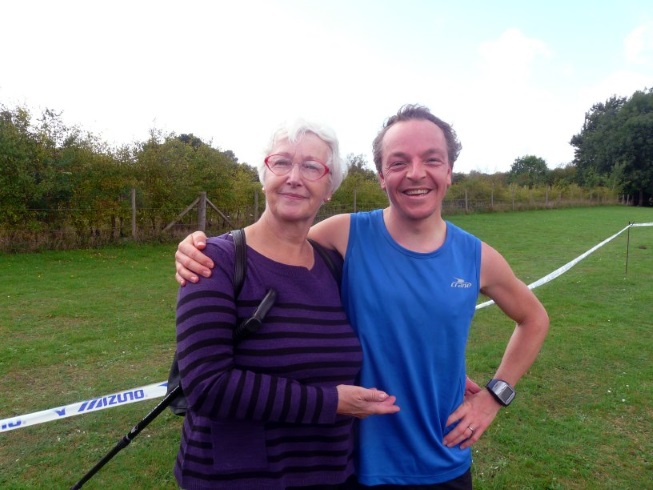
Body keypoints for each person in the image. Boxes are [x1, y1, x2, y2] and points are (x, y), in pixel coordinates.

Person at [175, 105, 550, 488]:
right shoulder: (340, 236)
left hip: (442, 463)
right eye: (399, 161)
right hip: (351, 465)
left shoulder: (478, 257)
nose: (416, 173)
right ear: (382, 176)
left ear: (449, 171)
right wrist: (198, 248)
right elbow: (271, 248)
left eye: (432, 160)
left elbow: (534, 319)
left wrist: (494, 397)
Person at [173, 118, 399, 490]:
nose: (294, 176)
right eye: (282, 162)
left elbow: (376, 340)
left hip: (331, 472)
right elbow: (207, 386)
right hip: (236, 478)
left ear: (329, 187)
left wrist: (436, 371)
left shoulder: (334, 266)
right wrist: (330, 403)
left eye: (312, 166)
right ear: (264, 174)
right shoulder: (215, 260)